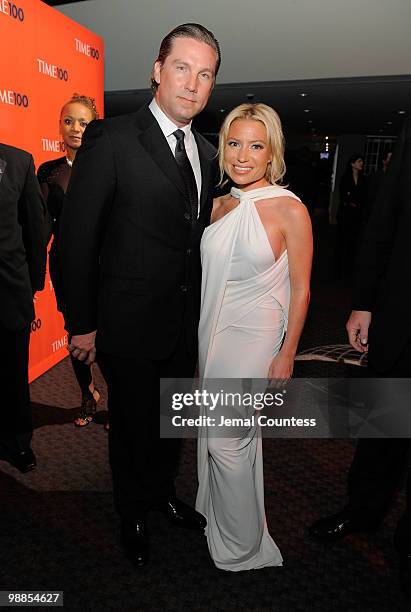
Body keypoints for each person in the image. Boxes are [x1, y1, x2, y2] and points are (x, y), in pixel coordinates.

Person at [59, 23, 221, 567]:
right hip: (125, 322)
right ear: (157, 70)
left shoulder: (206, 149)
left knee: (171, 421)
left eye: (205, 74)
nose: (192, 84)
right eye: (182, 68)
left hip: (183, 322)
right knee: (131, 425)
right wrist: (80, 323)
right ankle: (130, 509)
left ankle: (158, 494)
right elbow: (77, 241)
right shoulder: (112, 138)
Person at [196, 103, 313, 570]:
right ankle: (220, 520)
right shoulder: (217, 204)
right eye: (234, 143)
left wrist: (288, 353)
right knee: (222, 437)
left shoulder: (289, 208)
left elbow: (303, 288)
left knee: (225, 441)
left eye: (256, 145)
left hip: (257, 338)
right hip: (214, 335)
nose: (243, 156)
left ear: (272, 154)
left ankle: (244, 545)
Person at [308, 118, 411, 599]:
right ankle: (362, 511)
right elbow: (385, 216)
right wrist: (365, 300)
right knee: (383, 425)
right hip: (401, 311)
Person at [37, 94, 102, 428]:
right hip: (64, 265)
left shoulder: (108, 165)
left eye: (83, 122)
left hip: (104, 265)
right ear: (59, 126)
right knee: (75, 332)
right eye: (68, 121)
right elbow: (41, 223)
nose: (75, 128)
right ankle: (86, 394)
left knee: (108, 336)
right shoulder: (49, 171)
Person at [0, 143, 47, 472]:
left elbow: (35, 228)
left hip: (9, 291)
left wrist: (31, 285)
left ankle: (17, 443)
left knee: (12, 374)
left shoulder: (17, 161)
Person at [336, 154, 367, 279]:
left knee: (353, 244)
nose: (361, 164)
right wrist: (352, 202)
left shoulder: (364, 179)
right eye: (359, 161)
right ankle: (338, 272)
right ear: (352, 164)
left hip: (357, 217)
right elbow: (344, 197)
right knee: (342, 242)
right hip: (345, 215)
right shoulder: (345, 178)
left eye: (362, 162)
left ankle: (349, 273)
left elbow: (364, 197)